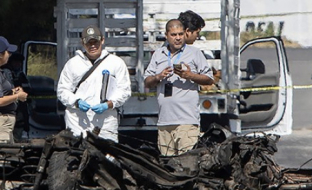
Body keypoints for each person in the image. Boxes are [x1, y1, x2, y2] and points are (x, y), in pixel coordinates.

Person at [143, 19, 213, 156]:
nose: (178, 38)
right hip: (164, 123)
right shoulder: (159, 54)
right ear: (166, 35)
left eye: (180, 34)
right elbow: (147, 82)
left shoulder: (195, 53)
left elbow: (209, 79)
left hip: (186, 121)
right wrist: (158, 77)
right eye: (174, 35)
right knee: (167, 167)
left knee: (187, 165)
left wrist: (190, 75)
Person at [56, 25, 132, 142]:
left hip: (106, 122)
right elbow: (62, 90)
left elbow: (125, 90)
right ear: (82, 43)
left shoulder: (116, 63)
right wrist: (76, 102)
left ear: (102, 40)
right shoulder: (72, 64)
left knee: (107, 156)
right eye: (88, 43)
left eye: (95, 42)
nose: (92, 46)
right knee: (77, 155)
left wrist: (109, 104)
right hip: (77, 122)